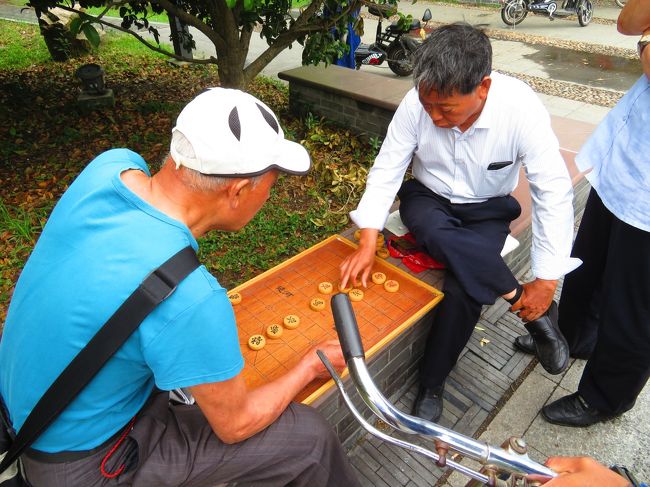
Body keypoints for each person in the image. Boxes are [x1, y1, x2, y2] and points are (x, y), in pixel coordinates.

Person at [0, 88, 360, 486]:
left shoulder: (110, 168)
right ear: (237, 190)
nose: (270, 195)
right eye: (270, 185)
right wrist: (310, 365)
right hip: (81, 466)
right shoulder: (189, 297)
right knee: (308, 440)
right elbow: (235, 425)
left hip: (22, 411)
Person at [339, 23, 579, 423]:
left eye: (445, 108)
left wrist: (547, 278)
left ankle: (432, 382)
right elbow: (388, 166)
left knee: (465, 289)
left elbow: (552, 191)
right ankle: (524, 306)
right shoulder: (418, 105)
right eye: (427, 105)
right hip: (428, 200)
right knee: (432, 228)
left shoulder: (521, 109)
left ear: (482, 87)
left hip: (487, 208)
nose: (433, 116)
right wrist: (366, 240)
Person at [514, 0, 650, 427]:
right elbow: (630, 24)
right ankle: (572, 337)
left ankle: (606, 397)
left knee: (632, 306)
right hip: (623, 164)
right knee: (587, 267)